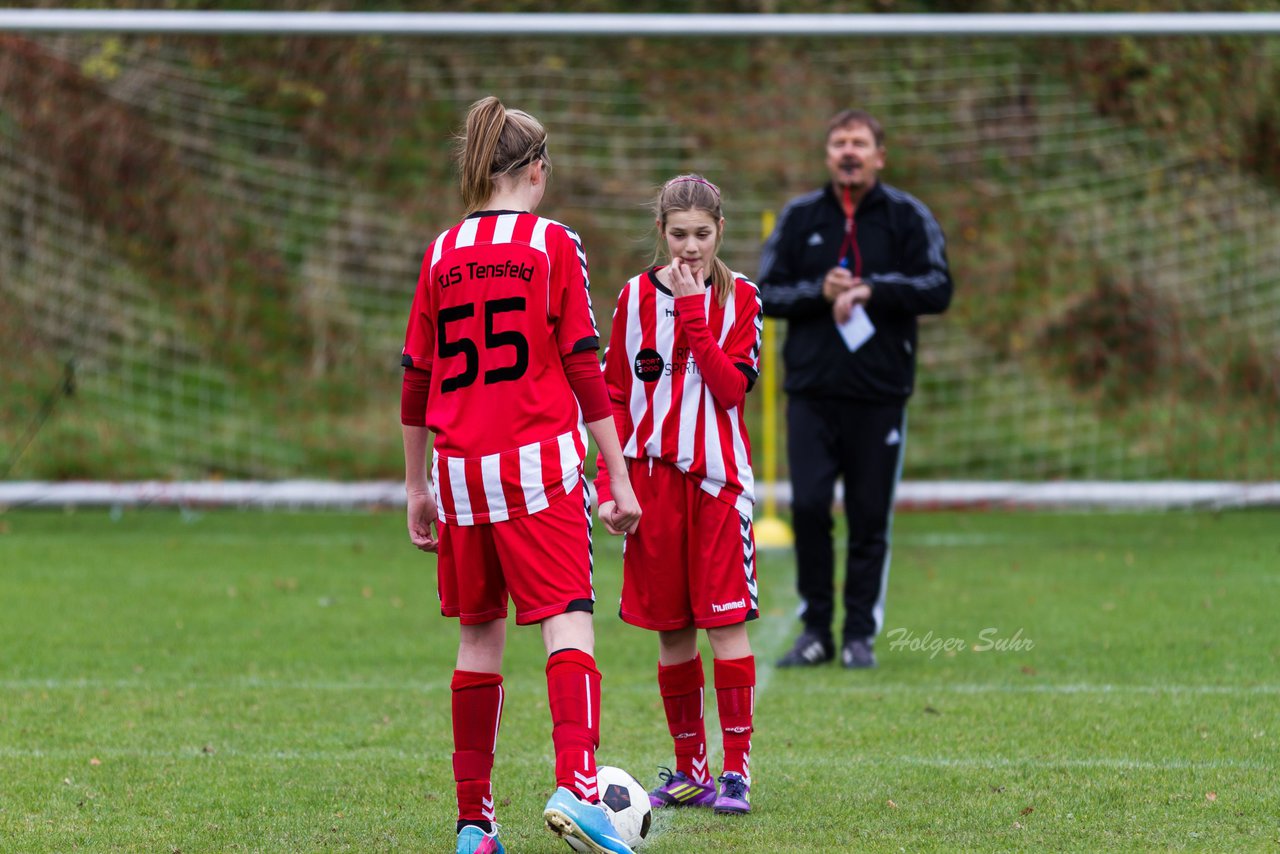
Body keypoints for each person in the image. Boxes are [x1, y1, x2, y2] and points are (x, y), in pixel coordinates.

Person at [400, 96, 643, 854]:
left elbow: (415, 378)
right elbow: (581, 364)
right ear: (539, 169)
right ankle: (578, 785)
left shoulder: (441, 252)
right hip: (537, 465)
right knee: (568, 617)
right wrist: (619, 474)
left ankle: (475, 824)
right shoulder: (553, 244)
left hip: (461, 472)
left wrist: (417, 485)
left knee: (479, 639)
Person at [759, 109, 953, 670]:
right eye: (840, 142)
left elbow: (939, 287)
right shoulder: (799, 218)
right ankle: (816, 629)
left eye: (860, 143)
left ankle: (859, 635)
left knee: (870, 516)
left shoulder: (907, 217)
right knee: (812, 508)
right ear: (827, 154)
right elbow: (763, 293)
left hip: (880, 394)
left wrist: (875, 289)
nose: (849, 151)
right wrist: (819, 292)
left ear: (879, 156)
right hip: (812, 394)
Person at [595, 175, 763, 816]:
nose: (690, 247)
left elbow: (729, 391)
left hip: (716, 486)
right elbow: (611, 393)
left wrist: (693, 316)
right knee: (671, 632)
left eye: (702, 234)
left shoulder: (742, 297)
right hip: (651, 488)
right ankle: (692, 768)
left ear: (720, 231)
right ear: (661, 233)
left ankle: (737, 773)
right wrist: (613, 482)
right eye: (678, 234)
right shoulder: (634, 298)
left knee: (724, 626)